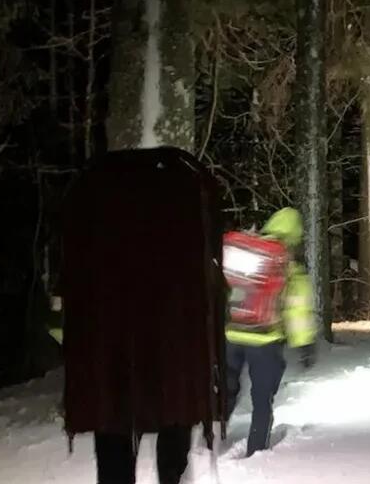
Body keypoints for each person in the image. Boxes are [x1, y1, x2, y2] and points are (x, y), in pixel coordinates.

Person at [60, 147, 227, 484]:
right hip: (167, 357)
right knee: (165, 437)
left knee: (117, 441)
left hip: (117, 360)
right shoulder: (184, 189)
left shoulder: (94, 189)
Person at [223, 207, 316, 457]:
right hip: (265, 340)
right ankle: (256, 451)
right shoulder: (288, 264)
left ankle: (211, 438)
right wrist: (304, 344)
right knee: (262, 398)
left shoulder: (246, 252)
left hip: (232, 335)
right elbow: (297, 310)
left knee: (226, 391)